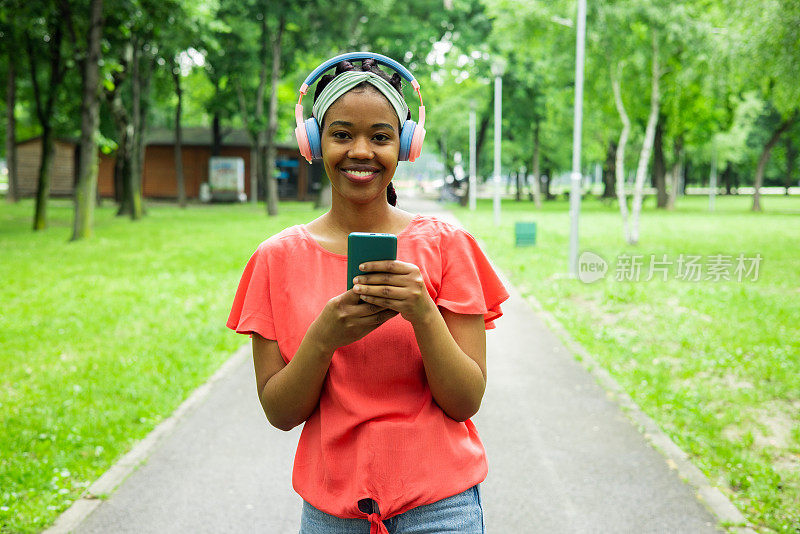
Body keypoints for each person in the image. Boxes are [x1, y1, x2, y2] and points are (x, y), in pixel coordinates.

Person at [226, 53, 509, 534]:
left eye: (380, 136)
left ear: (405, 146)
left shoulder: (447, 245)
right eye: (341, 134)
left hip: (442, 509)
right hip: (333, 512)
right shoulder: (276, 258)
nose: (361, 150)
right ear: (314, 142)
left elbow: (465, 401)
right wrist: (322, 338)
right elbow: (280, 412)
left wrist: (423, 312)